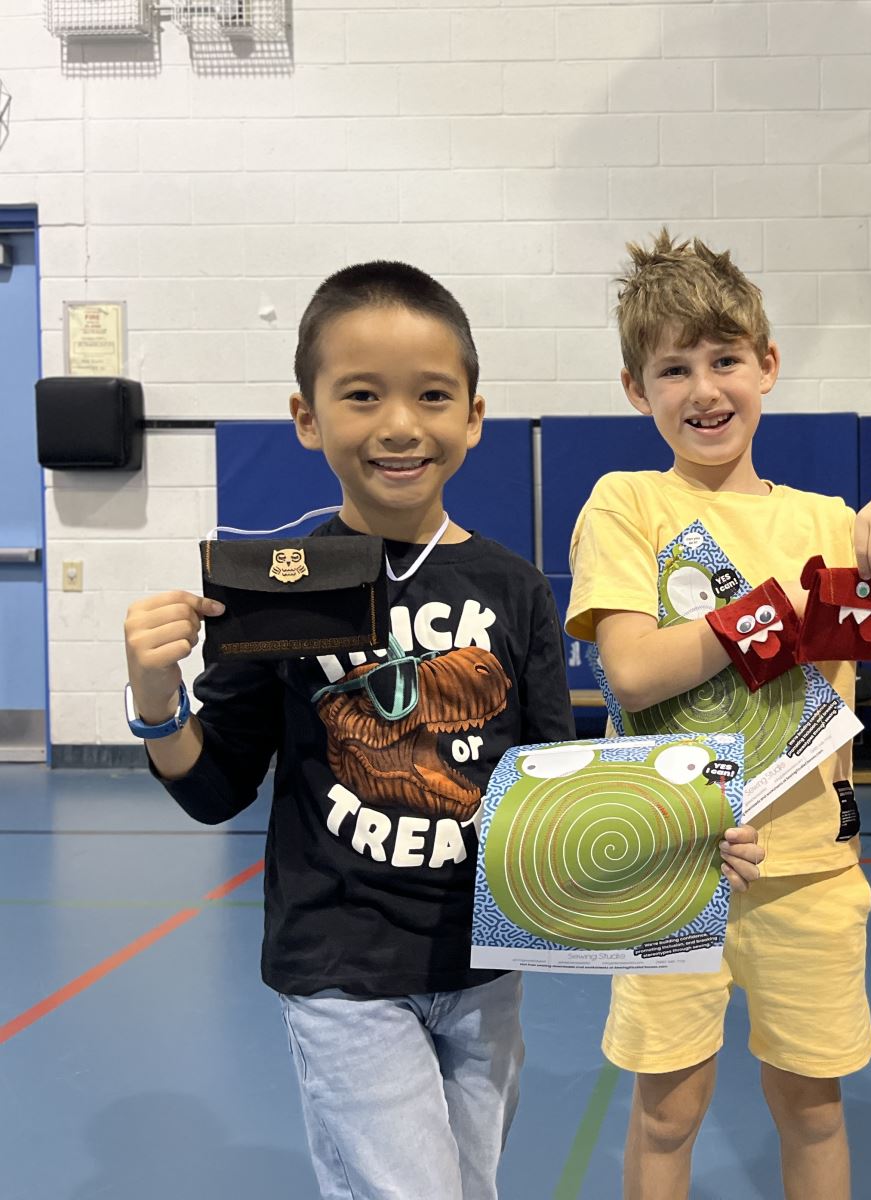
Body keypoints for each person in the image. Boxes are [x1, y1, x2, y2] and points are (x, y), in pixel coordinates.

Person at [122, 261, 760, 1200]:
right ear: (307, 416)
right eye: (362, 395)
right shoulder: (274, 580)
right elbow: (213, 785)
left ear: (473, 416)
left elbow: (554, 783)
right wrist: (153, 693)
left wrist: (683, 835)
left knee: (472, 1185)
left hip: (484, 964)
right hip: (340, 965)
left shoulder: (510, 588)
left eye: (431, 396)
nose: (399, 424)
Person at [566, 230, 871, 1200]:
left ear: (767, 366)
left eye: (724, 360)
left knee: (812, 1108)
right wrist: (780, 613)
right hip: (670, 862)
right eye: (673, 369)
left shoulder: (828, 524)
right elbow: (630, 671)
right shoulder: (626, 504)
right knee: (666, 1112)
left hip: (810, 869)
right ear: (637, 390)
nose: (703, 390)